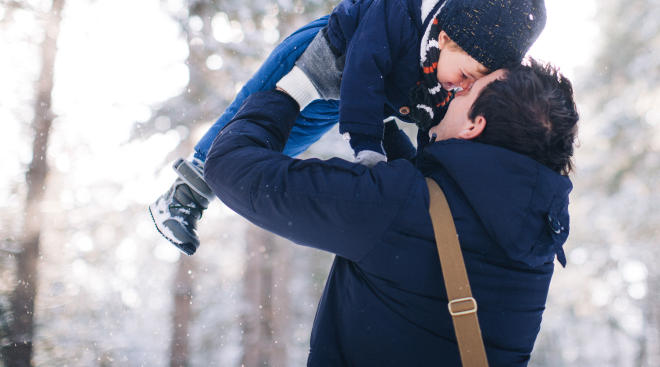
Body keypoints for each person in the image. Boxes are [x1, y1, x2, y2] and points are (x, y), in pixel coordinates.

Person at [202, 59, 579, 366]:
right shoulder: (533, 240)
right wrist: (378, 120)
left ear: (473, 125)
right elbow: (439, 227)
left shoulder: (399, 209)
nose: (454, 89)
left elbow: (230, 167)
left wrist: (292, 90)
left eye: (467, 90)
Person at [149, 0, 547, 255]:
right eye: (464, 75)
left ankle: (204, 189)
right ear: (446, 39)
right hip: (325, 57)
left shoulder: (449, 72)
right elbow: (363, 74)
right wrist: (368, 146)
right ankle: (184, 195)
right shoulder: (395, 17)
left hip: (350, 95)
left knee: (282, 142)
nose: (462, 87)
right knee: (251, 118)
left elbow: (432, 124)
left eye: (471, 84)